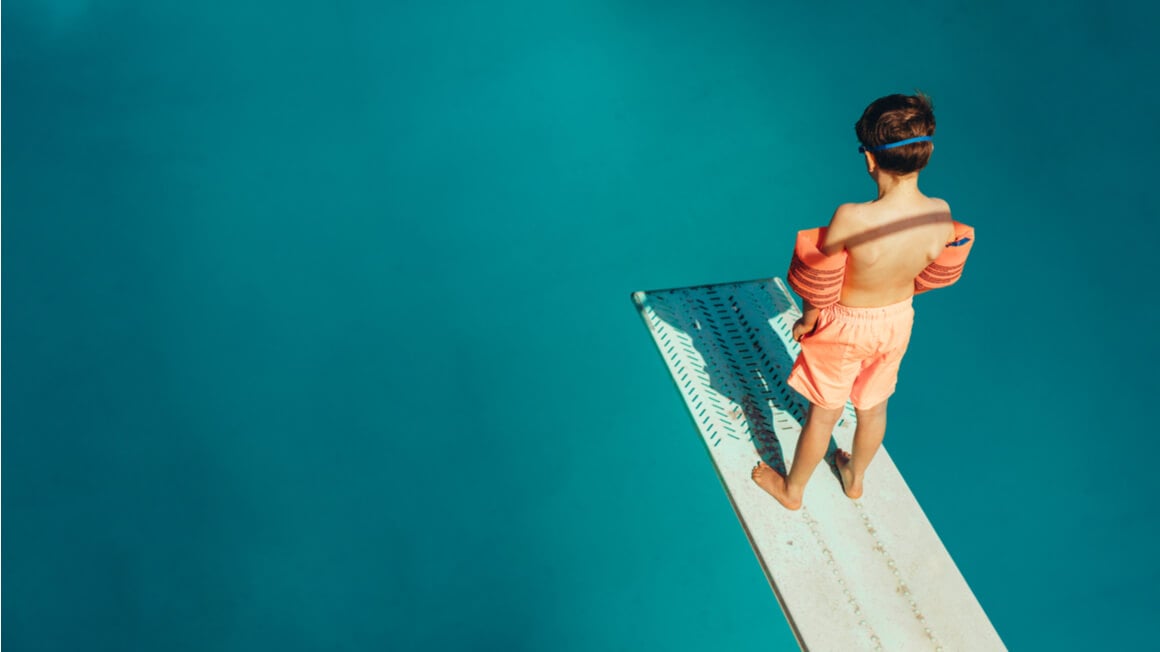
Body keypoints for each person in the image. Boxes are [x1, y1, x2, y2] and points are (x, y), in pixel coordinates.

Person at [751, 93, 974, 510]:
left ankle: (792, 490)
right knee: (873, 408)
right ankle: (855, 479)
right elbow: (928, 268)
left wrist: (809, 319)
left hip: (846, 325)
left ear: (870, 160)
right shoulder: (941, 214)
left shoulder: (852, 217)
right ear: (924, 156)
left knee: (824, 413)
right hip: (897, 320)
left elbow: (820, 276)